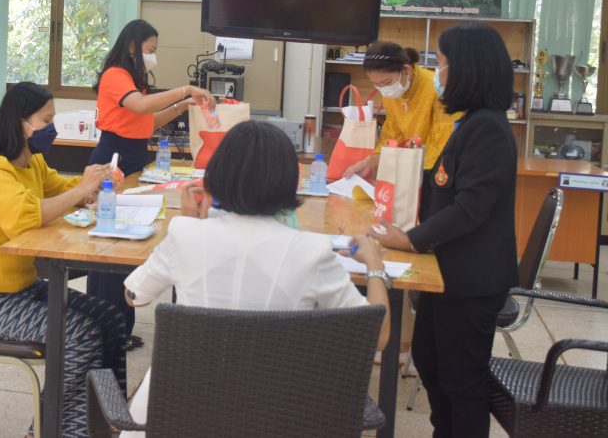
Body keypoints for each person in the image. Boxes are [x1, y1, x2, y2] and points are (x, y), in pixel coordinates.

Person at [121, 121, 391, 435]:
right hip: (282, 419)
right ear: (290, 181)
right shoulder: (313, 251)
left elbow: (134, 296)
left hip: (175, 418)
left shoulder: (185, 233)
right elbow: (378, 337)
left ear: (217, 176)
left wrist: (193, 223)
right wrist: (375, 264)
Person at [0, 82, 126, 438]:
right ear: (21, 122)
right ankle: (48, 429)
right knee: (80, 335)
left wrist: (91, 183)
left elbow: (60, 189)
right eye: (46, 120)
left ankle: (105, 422)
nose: (51, 128)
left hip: (22, 289)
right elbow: (25, 218)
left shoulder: (31, 161)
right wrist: (81, 190)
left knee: (110, 318)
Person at [371, 23, 518, 438]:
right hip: (446, 270)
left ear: (467, 69)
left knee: (461, 379)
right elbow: (442, 182)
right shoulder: (470, 122)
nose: (438, 73)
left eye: (442, 63)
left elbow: (469, 208)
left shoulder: (487, 128)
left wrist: (409, 239)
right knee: (431, 362)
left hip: (471, 278)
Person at [86, 19, 215, 349]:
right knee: (109, 249)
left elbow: (147, 121)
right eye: (150, 50)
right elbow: (141, 106)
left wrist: (182, 107)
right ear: (133, 46)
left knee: (125, 248)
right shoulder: (116, 75)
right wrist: (186, 90)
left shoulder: (132, 81)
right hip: (113, 161)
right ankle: (105, 331)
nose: (152, 57)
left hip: (132, 159)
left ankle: (120, 329)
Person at [344, 40, 460, 179]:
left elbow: (441, 145)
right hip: (410, 169)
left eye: (386, 82)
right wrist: (371, 161)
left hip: (436, 173)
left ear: (406, 70)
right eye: (376, 84)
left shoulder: (436, 89)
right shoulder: (392, 92)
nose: (383, 89)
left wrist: (415, 178)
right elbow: (393, 135)